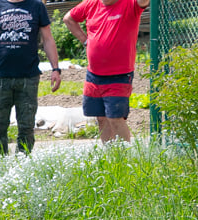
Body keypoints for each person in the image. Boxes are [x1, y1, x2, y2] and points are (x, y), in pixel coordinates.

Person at [0, 0, 60, 156]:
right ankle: (1, 164)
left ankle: (22, 166)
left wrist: (55, 68)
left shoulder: (36, 6)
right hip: (0, 78)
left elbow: (47, 39)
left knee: (26, 126)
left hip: (28, 77)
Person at [64, 0, 149, 142]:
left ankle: (125, 156)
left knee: (116, 118)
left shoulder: (129, 4)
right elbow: (68, 18)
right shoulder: (91, 3)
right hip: (94, 74)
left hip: (119, 75)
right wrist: (84, 40)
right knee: (101, 118)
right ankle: (110, 157)